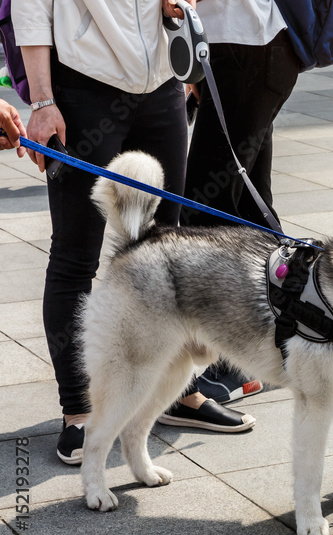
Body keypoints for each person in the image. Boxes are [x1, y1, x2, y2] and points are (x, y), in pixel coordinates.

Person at [16, 0, 254, 466]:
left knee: (170, 254)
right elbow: (29, 6)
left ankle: (178, 394)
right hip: (82, 87)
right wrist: (43, 102)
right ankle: (80, 411)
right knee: (74, 255)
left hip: (161, 83)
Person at [157, 0, 300, 425]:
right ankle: (275, 343)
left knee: (208, 213)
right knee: (245, 207)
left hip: (246, 50)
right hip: (249, 48)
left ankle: (236, 361)